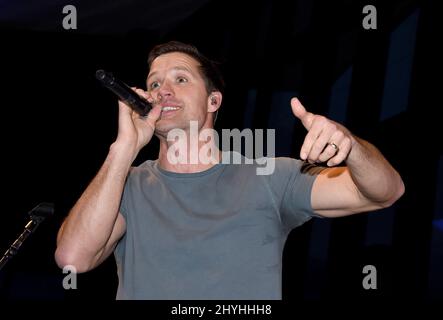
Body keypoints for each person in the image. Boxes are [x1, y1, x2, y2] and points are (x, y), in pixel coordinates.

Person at [55, 41, 404, 299]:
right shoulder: (126, 184)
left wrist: (352, 146)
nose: (163, 91)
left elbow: (385, 191)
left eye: (180, 79)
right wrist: (124, 149)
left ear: (213, 101)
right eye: (155, 83)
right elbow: (73, 259)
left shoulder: (269, 176)